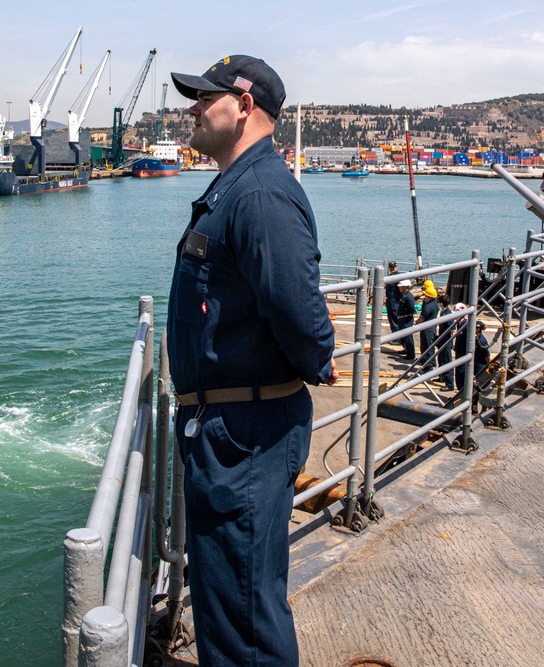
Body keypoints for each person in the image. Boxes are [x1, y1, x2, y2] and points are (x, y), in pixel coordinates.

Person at [166, 55, 338, 666]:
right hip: (229, 431)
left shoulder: (261, 192)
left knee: (243, 615)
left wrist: (317, 357)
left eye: (204, 98)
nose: (191, 108)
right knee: (226, 603)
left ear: (243, 106)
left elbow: (296, 303)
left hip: (244, 437)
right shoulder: (238, 186)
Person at [416, 281, 439, 370]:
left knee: (427, 346)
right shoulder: (434, 303)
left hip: (427, 329)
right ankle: (429, 361)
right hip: (431, 327)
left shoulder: (428, 306)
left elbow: (422, 318)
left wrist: (417, 323)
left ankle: (428, 365)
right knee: (429, 345)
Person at [436, 294, 455, 391]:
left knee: (447, 361)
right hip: (442, 340)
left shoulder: (448, 314)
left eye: (438, 302)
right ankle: (442, 377)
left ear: (441, 304)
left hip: (446, 341)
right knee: (441, 359)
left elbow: (452, 328)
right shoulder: (443, 313)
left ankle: (450, 384)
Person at [396, 279, 417, 360]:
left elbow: (412, 308)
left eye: (401, 287)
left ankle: (411, 354)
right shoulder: (404, 295)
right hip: (402, 318)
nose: (399, 288)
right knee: (403, 336)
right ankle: (406, 349)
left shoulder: (408, 297)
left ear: (405, 287)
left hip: (406, 319)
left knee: (408, 337)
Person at [385, 261, 401, 334]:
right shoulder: (390, 277)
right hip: (389, 301)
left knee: (395, 320)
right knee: (391, 319)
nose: (392, 269)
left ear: (396, 267)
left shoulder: (398, 277)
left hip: (395, 301)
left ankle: (397, 338)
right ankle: (394, 335)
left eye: (393, 267)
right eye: (391, 267)